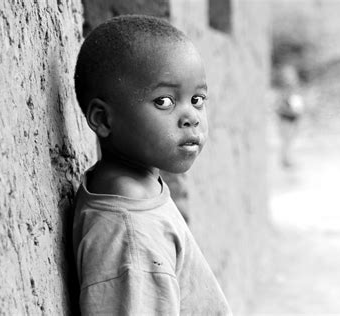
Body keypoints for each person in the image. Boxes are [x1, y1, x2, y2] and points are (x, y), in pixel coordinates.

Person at [72, 15, 231, 315]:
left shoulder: (137, 191)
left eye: (197, 99)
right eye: (164, 102)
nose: (192, 117)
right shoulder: (130, 234)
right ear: (104, 119)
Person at [275, 64, 305, 167]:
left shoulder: (294, 89)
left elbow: (298, 105)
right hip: (285, 119)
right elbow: (279, 106)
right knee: (286, 140)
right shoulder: (284, 90)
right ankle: (285, 160)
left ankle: (287, 159)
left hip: (292, 118)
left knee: (290, 140)